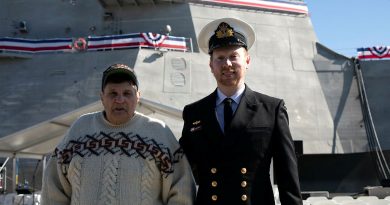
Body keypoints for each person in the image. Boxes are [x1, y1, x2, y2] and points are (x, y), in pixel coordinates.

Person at [179, 18, 303, 205]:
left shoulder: (271, 109)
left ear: (247, 61)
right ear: (211, 65)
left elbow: (287, 175)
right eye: (220, 58)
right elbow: (182, 168)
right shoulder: (194, 113)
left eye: (233, 56)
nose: (227, 64)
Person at [41, 63, 196, 205]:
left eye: (127, 93)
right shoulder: (79, 131)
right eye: (113, 93)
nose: (120, 100)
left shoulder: (159, 134)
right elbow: (53, 189)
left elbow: (182, 192)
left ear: (138, 96)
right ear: (102, 97)